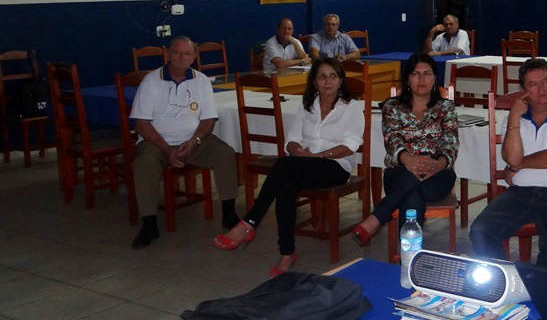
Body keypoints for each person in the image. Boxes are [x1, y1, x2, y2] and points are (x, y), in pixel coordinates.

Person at [213, 57, 364, 276]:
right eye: (322, 76)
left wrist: (319, 156)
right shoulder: (307, 106)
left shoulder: (351, 107)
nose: (328, 81)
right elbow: (291, 140)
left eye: (333, 76)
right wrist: (296, 150)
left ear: (341, 81)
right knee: (285, 182)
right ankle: (286, 253)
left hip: (334, 166)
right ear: (314, 82)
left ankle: (249, 223)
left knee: (284, 168)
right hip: (302, 164)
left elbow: (351, 145)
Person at [470, 59, 547, 270]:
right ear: (523, 91)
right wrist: (514, 116)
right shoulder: (512, 120)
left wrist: (518, 166)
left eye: (546, 81)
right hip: (520, 192)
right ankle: (504, 283)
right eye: (533, 84)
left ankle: (539, 291)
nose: (542, 88)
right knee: (480, 231)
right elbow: (512, 158)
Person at [129, 36, 239, 249]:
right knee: (143, 164)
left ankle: (229, 213)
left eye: (187, 53)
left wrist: (195, 140)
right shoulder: (151, 81)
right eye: (177, 52)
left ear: (194, 57)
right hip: (156, 142)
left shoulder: (201, 80)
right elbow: (141, 123)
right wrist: (166, 148)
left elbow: (208, 120)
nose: (181, 57)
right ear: (168, 54)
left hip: (194, 141)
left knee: (225, 153)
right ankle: (149, 224)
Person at [351, 53, 458, 244]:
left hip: (438, 174)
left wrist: (439, 164)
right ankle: (409, 261)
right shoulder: (392, 106)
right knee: (411, 192)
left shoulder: (445, 107)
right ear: (407, 78)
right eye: (415, 74)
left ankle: (377, 219)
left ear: (435, 78)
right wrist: (408, 160)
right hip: (400, 171)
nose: (421, 79)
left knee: (410, 193)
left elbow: (450, 141)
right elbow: (392, 138)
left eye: (427, 73)